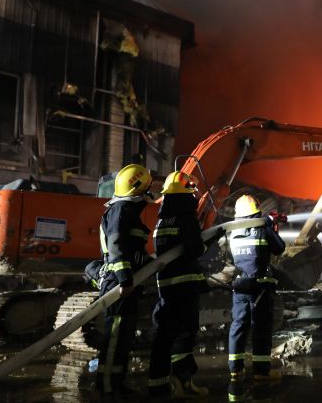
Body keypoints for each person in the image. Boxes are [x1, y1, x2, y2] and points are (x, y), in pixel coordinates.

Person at [147, 171, 225, 398]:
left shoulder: (162, 219)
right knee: (185, 333)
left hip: (167, 286)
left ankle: (160, 385)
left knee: (166, 335)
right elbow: (194, 250)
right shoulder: (185, 216)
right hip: (185, 286)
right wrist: (211, 239)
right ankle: (184, 381)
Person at [97, 164, 153, 396]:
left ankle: (117, 383)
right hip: (118, 284)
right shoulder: (121, 211)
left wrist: (151, 264)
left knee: (123, 340)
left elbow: (133, 251)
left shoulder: (126, 211)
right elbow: (117, 247)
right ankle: (107, 388)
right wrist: (125, 279)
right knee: (115, 339)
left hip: (127, 283)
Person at [228, 194, 285, 382]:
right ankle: (261, 372)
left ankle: (235, 370)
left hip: (239, 285)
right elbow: (279, 248)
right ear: (257, 210)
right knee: (261, 329)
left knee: (238, 326)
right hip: (259, 286)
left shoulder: (232, 231)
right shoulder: (262, 228)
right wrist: (271, 227)